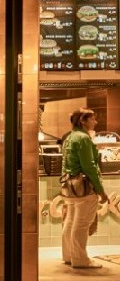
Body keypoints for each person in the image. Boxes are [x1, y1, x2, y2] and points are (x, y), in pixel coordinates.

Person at [61, 108, 108, 269]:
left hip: (70, 186)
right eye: (92, 119)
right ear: (83, 121)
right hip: (84, 187)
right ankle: (80, 259)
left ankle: (69, 256)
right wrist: (100, 190)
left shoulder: (69, 137)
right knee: (81, 224)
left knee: (70, 221)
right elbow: (89, 167)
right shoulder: (83, 138)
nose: (95, 122)